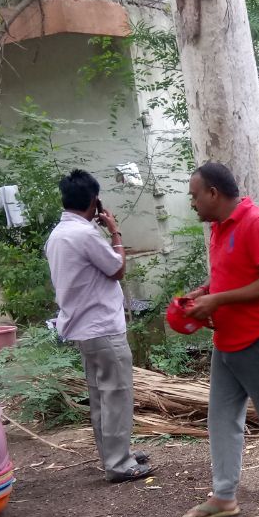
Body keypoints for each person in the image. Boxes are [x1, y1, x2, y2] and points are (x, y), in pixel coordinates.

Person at [178, 162, 259, 517]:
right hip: (228, 339)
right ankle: (223, 497)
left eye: (195, 195)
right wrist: (205, 293)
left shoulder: (257, 223)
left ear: (213, 194)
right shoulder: (220, 228)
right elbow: (233, 275)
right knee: (221, 418)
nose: (192, 203)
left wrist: (217, 301)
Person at [45, 170, 151, 483]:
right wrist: (115, 232)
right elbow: (117, 268)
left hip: (82, 328)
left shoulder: (58, 235)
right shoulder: (85, 234)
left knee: (101, 396)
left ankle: (114, 455)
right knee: (116, 394)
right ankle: (119, 464)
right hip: (102, 327)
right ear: (94, 201)